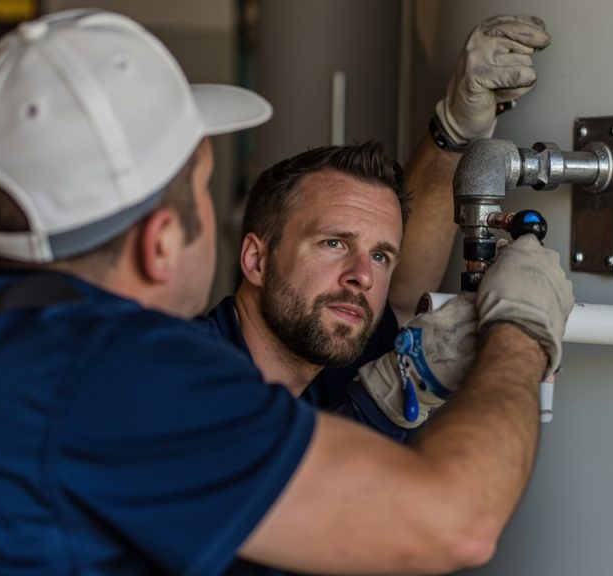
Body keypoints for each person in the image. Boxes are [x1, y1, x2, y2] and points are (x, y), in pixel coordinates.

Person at [0, 9, 573, 576]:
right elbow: (454, 522)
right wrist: (523, 332)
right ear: (162, 242)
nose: (360, 273)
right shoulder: (127, 384)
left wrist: (448, 139)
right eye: (201, 183)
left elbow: (392, 282)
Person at [204, 15, 553, 438]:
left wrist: (455, 133)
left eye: (380, 255)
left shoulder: (326, 347)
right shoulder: (183, 380)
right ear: (256, 259)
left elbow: (404, 296)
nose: (363, 276)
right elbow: (273, 493)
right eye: (334, 242)